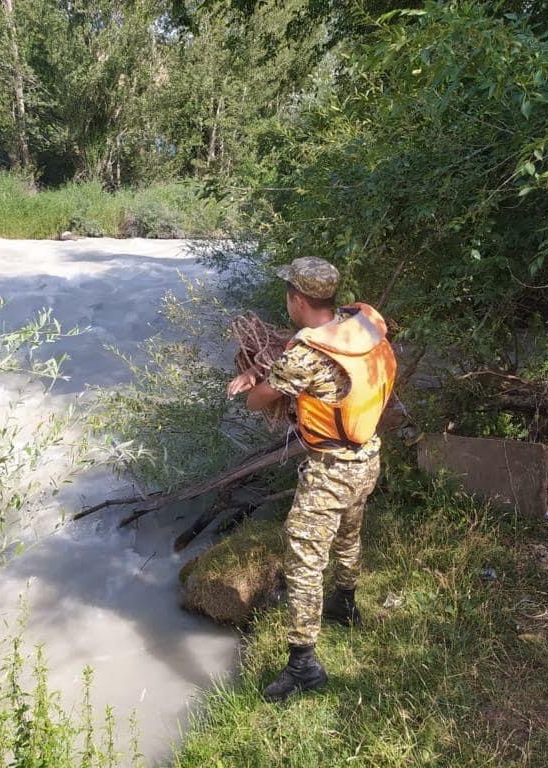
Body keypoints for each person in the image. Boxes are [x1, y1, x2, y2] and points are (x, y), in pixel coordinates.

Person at [227, 256, 397, 702]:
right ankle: (345, 602)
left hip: (331, 470)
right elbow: (304, 356)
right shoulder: (360, 324)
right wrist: (263, 369)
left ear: (297, 300)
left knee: (304, 557)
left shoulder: (305, 355)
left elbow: (259, 401)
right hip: (368, 456)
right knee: (349, 533)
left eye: (288, 295)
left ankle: (303, 665)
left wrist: (256, 382)